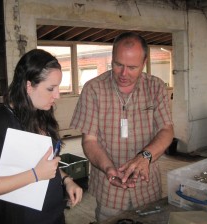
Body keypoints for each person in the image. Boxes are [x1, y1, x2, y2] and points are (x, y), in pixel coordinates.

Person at [0, 49, 83, 224]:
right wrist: (35, 175)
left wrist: (67, 180)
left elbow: (46, 164)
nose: (57, 95)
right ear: (29, 86)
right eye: (51, 88)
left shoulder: (41, 113)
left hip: (53, 216)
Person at [70, 32, 174, 222]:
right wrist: (108, 168)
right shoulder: (93, 89)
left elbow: (166, 130)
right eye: (118, 64)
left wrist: (146, 156)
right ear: (112, 58)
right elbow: (89, 141)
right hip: (109, 189)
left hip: (147, 185)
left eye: (132, 67)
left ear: (144, 63)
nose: (123, 74)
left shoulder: (156, 87)